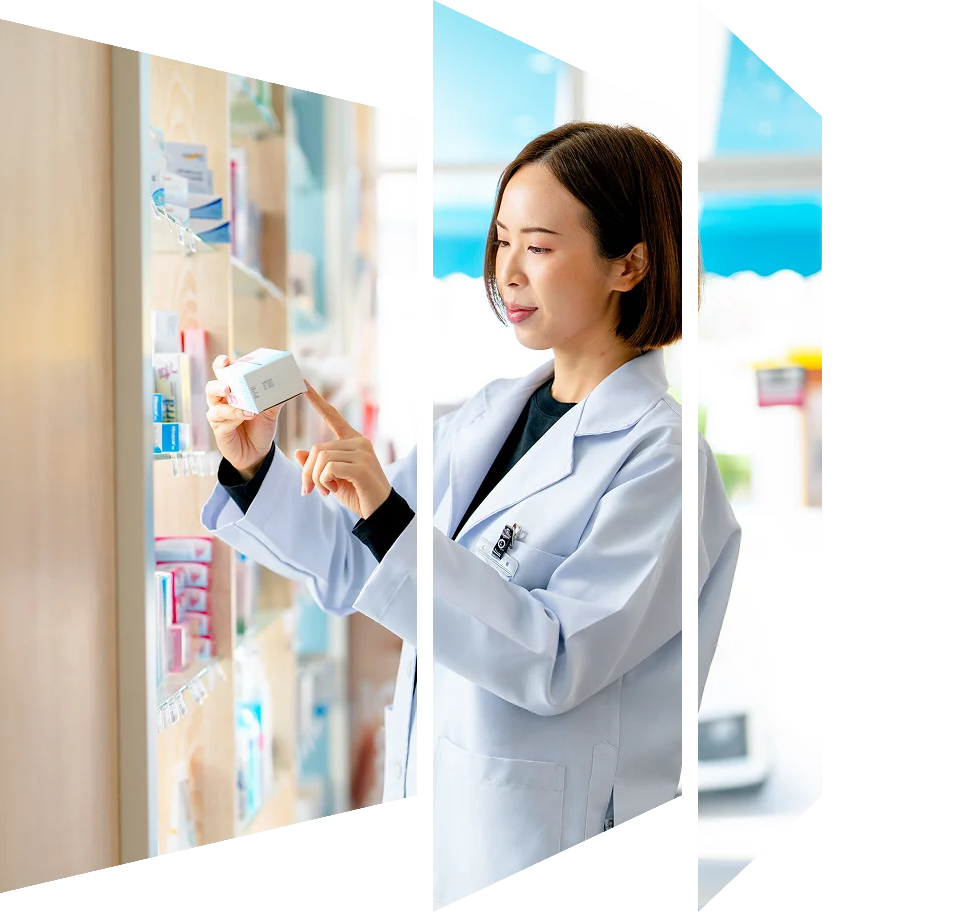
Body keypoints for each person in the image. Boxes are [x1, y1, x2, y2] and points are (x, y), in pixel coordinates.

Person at [200, 121, 741, 908]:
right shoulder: (485, 418)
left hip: (554, 825)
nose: (507, 272)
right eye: (501, 241)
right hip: (447, 807)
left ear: (630, 265)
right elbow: (367, 566)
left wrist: (389, 518)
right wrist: (255, 467)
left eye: (541, 246)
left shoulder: (663, 460)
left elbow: (556, 660)